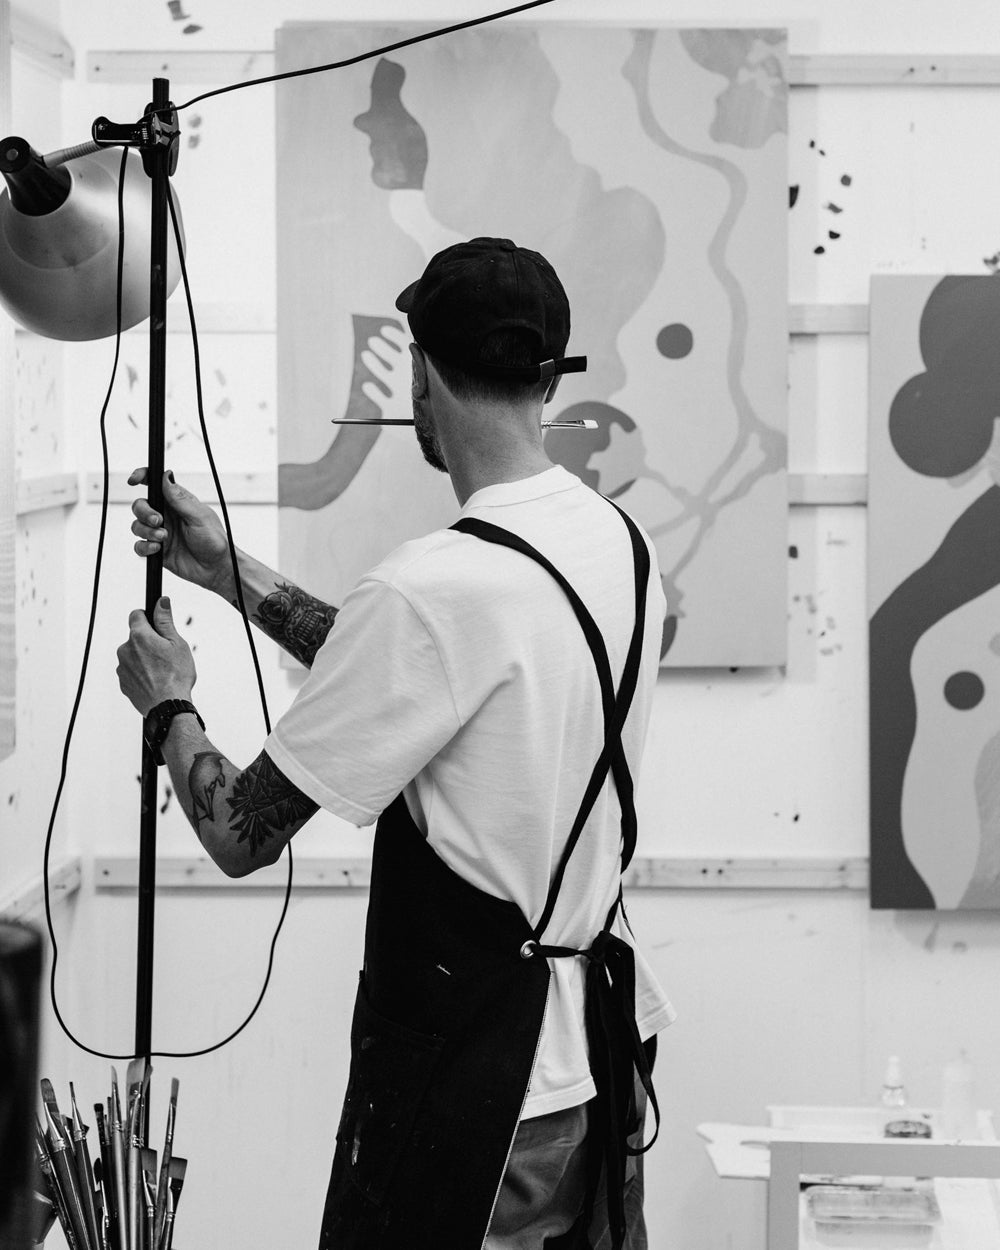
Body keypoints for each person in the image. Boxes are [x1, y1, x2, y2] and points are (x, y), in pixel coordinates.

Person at [117, 237, 675, 1249]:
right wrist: (230, 572)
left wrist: (170, 708)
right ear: (548, 375)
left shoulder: (434, 585)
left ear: (421, 375)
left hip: (482, 1094)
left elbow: (240, 831)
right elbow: (425, 681)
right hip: (596, 1063)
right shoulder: (618, 545)